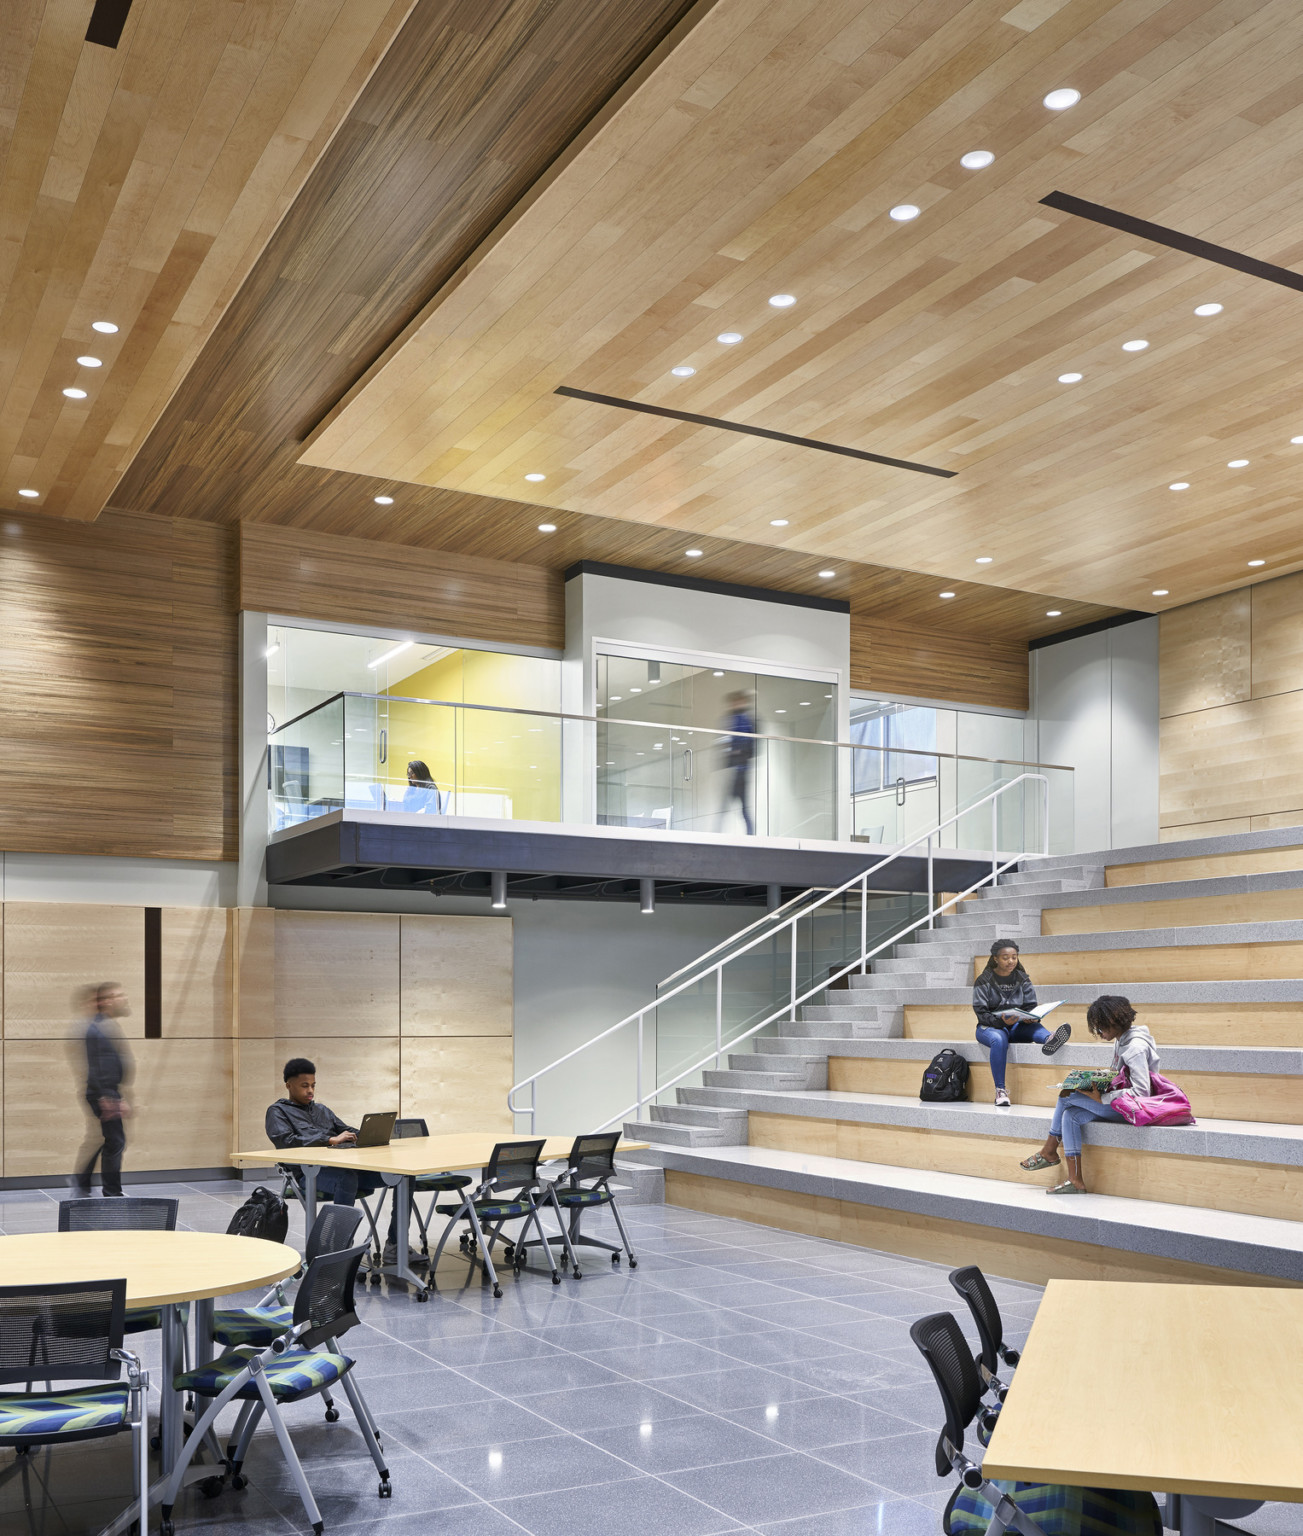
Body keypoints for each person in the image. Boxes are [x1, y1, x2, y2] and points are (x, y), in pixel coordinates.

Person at [1019, 995, 1160, 1194]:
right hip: (1122, 1102)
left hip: (1136, 1108)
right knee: (1071, 1115)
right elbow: (1120, 1076)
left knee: (1066, 1095)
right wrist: (1096, 1081)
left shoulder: (1135, 1047)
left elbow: (1142, 1092)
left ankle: (1049, 1151)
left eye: (1100, 1028)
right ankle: (1075, 1181)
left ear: (1113, 1022)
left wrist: (1103, 1098)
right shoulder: (1122, 1040)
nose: (1099, 1033)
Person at [266, 1058, 401, 1262]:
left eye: (313, 1085)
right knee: (346, 1178)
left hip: (343, 1169)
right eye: (304, 1086)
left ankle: (396, 1245)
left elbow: (344, 1130)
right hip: (307, 1174)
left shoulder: (322, 1110)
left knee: (403, 1175)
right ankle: (336, 1250)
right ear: (288, 1085)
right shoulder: (277, 1112)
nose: (310, 1090)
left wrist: (369, 1135)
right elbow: (287, 1141)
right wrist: (329, 1139)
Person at [973, 940, 1070, 1108]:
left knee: (1034, 1027)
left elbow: (1030, 1006)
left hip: (1016, 1026)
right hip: (989, 1028)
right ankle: (1000, 1091)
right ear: (995, 958)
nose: (1011, 961)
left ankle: (1049, 1039)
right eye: (1006, 958)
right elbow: (981, 1013)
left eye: (1014, 957)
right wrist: (1000, 1021)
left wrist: (1032, 1016)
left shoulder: (1023, 979)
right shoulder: (983, 981)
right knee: (999, 1039)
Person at [74, 981, 133, 1197]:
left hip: (107, 1092)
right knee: (116, 1141)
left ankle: (82, 1181)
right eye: (118, 995)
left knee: (109, 1139)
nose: (123, 998)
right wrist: (108, 1097)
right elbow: (98, 1067)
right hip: (104, 1094)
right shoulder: (97, 1029)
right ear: (106, 1001)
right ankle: (112, 1192)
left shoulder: (103, 1025)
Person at [720, 691, 756, 835]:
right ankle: (749, 833)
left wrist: (736, 753)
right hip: (734, 769)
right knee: (730, 806)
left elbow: (749, 744)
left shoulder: (745, 720)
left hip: (741, 769)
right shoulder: (732, 719)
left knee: (741, 807)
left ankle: (750, 834)